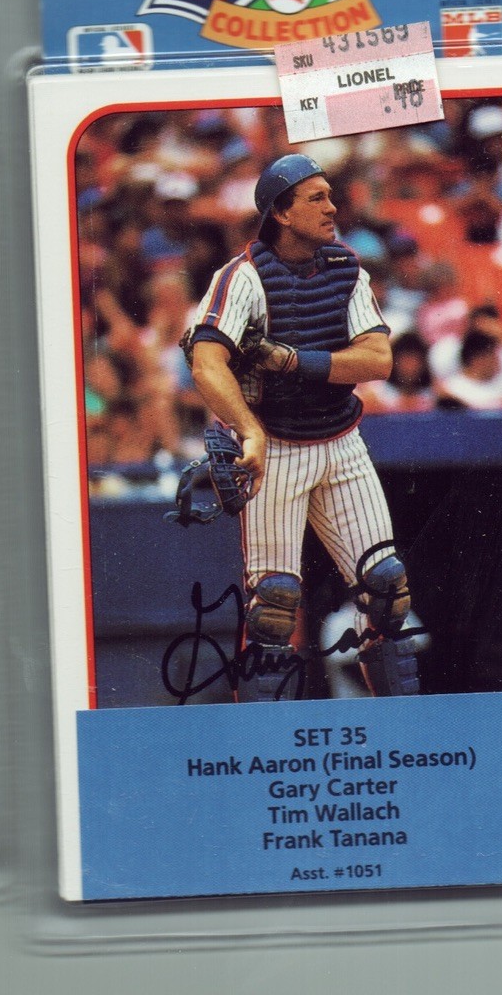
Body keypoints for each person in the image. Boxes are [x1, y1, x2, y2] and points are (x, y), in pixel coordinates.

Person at [186, 153, 419, 701]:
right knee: (273, 607)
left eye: (330, 195)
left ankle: (402, 723)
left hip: (340, 440)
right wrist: (248, 430)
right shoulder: (242, 276)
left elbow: (377, 360)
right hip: (276, 445)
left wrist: (293, 361)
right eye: (316, 198)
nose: (332, 207)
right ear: (281, 213)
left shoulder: (345, 267)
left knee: (387, 588)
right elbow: (205, 361)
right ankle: (265, 737)